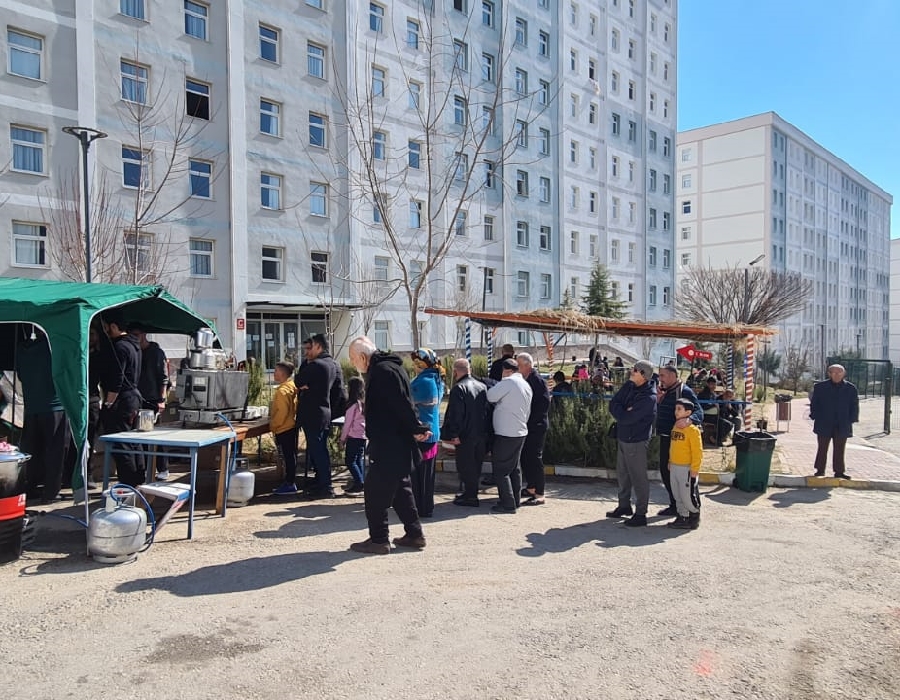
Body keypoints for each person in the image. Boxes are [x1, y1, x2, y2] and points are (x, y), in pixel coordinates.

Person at [347, 336, 429, 555]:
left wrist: (416, 427)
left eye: (354, 359)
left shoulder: (383, 372)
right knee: (401, 490)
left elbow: (400, 403)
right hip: (396, 442)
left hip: (388, 443)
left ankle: (379, 539)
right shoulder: (392, 368)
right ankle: (414, 534)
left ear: (363, 357)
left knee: (374, 493)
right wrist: (415, 427)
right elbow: (403, 402)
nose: (355, 364)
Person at [18, 328, 71, 503]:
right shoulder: (53, 348)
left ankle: (30, 487)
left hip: (32, 406)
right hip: (55, 406)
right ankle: (50, 492)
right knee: (55, 452)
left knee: (32, 450)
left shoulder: (21, 350)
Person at [606, 360, 657, 527]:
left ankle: (641, 513)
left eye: (634, 370)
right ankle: (624, 506)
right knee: (622, 474)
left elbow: (627, 418)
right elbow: (613, 404)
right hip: (623, 436)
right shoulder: (629, 386)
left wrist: (623, 411)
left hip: (636, 440)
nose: (631, 371)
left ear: (643, 375)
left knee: (638, 478)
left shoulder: (649, 397)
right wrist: (624, 409)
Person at [98, 311, 143, 486]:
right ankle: (139, 480)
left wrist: (109, 402)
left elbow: (117, 379)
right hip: (134, 397)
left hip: (122, 399)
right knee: (134, 442)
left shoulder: (120, 347)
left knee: (121, 444)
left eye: (107, 328)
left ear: (115, 327)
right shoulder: (135, 345)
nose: (106, 331)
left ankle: (128, 485)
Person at [294, 333, 340, 499]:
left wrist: (305, 384)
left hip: (314, 414)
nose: (307, 352)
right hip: (324, 412)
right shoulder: (332, 364)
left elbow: (298, 381)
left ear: (319, 347)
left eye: (310, 347)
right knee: (320, 450)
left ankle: (325, 486)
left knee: (318, 451)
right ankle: (322, 482)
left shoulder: (317, 365)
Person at [655, 365, 703, 517]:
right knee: (667, 473)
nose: (660, 379)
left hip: (680, 441)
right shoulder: (666, 391)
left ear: (672, 376)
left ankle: (692, 509)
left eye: (662, 376)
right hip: (666, 437)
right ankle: (675, 505)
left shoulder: (684, 391)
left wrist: (689, 420)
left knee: (685, 478)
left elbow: (699, 411)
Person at [485, 358, 532, 514]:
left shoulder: (508, 382)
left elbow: (490, 396)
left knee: (501, 469)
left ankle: (507, 504)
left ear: (506, 370)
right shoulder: (525, 384)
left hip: (506, 433)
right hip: (520, 431)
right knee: (514, 469)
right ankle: (515, 500)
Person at [441, 358, 488, 508]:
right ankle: (471, 493)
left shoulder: (458, 388)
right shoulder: (482, 386)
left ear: (455, 372)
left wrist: (453, 434)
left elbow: (456, 414)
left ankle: (470, 496)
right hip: (480, 433)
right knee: (476, 465)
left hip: (465, 435)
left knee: (465, 466)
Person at [129, 323, 170, 480]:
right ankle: (147, 468)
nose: (135, 338)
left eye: (137, 335)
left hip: (153, 399)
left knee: (155, 436)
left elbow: (163, 377)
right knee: (142, 435)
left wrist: (162, 399)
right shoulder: (136, 351)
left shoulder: (156, 352)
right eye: (132, 335)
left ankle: (163, 468)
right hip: (139, 398)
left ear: (144, 334)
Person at [409, 348, 444, 518]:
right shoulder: (436, 379)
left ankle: (419, 507)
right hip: (433, 432)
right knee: (427, 475)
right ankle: (426, 506)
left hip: (421, 433)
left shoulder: (421, 382)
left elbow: (407, 401)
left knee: (419, 475)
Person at [810, 364, 858, 479]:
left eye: (840, 373)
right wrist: (815, 416)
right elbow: (814, 403)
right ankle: (820, 470)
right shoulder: (820, 387)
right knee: (822, 447)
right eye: (834, 372)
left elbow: (854, 405)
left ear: (844, 374)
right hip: (824, 422)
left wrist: (852, 419)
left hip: (842, 423)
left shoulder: (851, 388)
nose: (837, 375)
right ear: (829, 374)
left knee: (840, 448)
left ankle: (839, 471)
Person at [518, 353, 551, 506]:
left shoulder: (536, 381)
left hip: (536, 425)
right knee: (526, 457)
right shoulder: (525, 380)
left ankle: (540, 493)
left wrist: (530, 418)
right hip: (527, 425)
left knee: (535, 458)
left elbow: (543, 405)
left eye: (519, 365)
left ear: (527, 366)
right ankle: (531, 487)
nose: (518, 369)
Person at [666, 398, 703, 530]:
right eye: (676, 409)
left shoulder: (693, 430)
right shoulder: (675, 426)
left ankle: (694, 516)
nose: (676, 412)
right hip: (675, 466)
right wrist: (670, 461)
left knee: (687, 494)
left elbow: (697, 451)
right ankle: (682, 516)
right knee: (677, 494)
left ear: (688, 412)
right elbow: (673, 446)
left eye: (679, 409)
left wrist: (694, 469)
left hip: (686, 468)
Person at [270, 361, 299, 495]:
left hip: (283, 427)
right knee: (291, 455)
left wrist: (274, 425)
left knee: (288, 456)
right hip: (291, 425)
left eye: (276, 371)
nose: (274, 373)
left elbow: (282, 412)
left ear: (282, 373)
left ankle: (289, 483)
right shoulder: (292, 386)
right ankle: (290, 481)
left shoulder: (282, 391)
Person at [339, 376, 366, 495]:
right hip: (363, 435)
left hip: (353, 436)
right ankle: (360, 482)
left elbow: (348, 423)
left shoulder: (352, 405)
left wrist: (342, 439)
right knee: (358, 459)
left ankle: (359, 483)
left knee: (350, 460)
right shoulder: (363, 403)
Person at [697, 377, 721, 445]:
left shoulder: (713, 394)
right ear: (707, 384)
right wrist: (714, 405)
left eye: (715, 384)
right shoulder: (703, 394)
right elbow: (704, 406)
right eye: (712, 384)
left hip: (713, 415)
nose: (714, 386)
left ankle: (714, 437)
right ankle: (713, 438)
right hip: (705, 416)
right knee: (722, 423)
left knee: (726, 423)